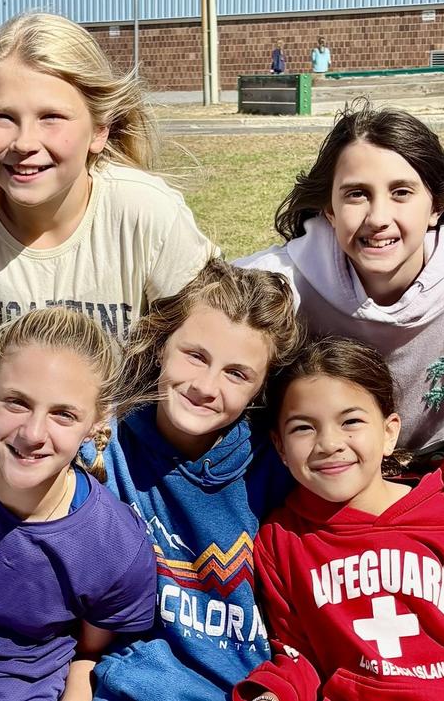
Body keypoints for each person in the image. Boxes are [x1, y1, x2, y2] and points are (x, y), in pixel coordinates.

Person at [238, 108, 444, 489]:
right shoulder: (281, 282)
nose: (378, 217)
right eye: (356, 195)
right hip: (312, 473)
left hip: (437, 465)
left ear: (436, 206)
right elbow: (193, 341)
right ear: (329, 210)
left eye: (401, 192)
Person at [236, 337, 444, 701]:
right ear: (280, 447)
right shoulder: (281, 539)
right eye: (303, 428)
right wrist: (273, 694)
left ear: (389, 432)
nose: (329, 443)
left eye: (350, 421)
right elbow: (297, 656)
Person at [0, 12, 216, 357]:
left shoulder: (149, 214)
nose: (25, 142)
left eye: (51, 117)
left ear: (100, 129)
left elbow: (203, 347)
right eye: (2, 117)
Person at [85, 260, 305, 701]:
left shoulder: (281, 467)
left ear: (261, 389)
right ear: (163, 344)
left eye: (237, 373)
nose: (206, 385)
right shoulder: (103, 446)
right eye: (196, 355)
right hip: (130, 687)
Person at [0, 308, 158, 701]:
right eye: (17, 402)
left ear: (98, 421)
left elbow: (90, 654)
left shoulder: (116, 549)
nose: (32, 433)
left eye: (63, 414)